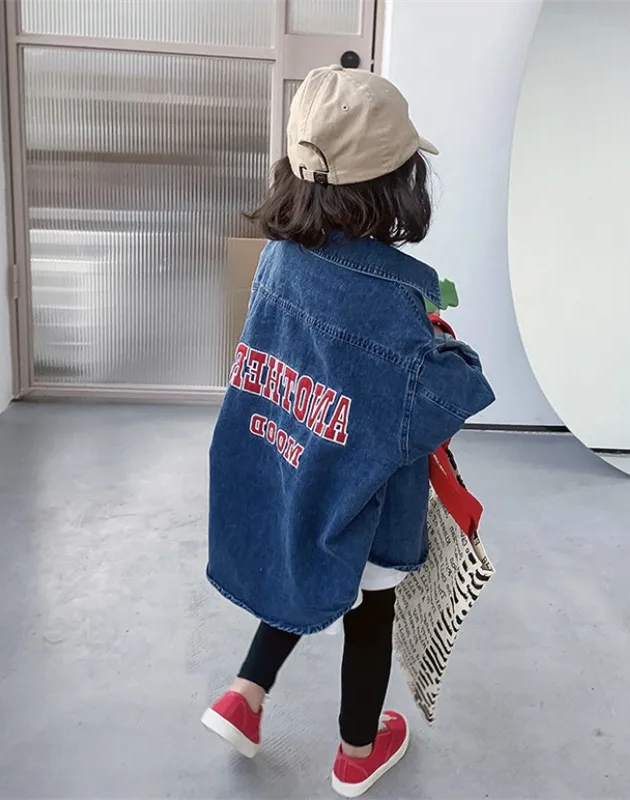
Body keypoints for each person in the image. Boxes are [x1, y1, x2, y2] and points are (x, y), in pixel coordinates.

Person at [202, 65, 495, 797]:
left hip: (295, 463)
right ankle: (357, 751)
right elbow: (445, 399)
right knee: (369, 612)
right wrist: (447, 346)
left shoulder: (277, 257)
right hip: (366, 494)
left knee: (303, 570)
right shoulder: (398, 291)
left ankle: (244, 694)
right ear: (397, 183)